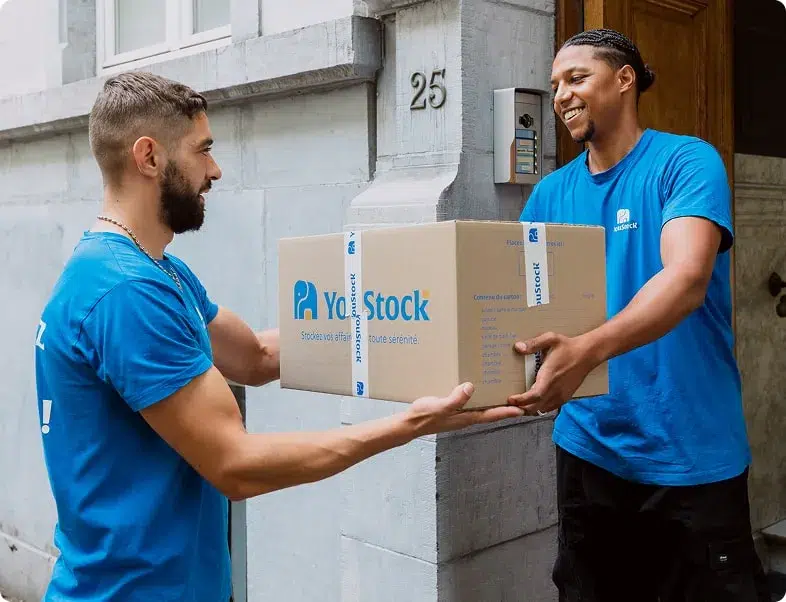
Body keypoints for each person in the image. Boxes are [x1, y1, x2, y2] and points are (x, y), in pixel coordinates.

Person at [33, 72, 525, 602]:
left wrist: (432, 326)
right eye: (203, 151)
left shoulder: (155, 272)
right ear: (149, 157)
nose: (215, 171)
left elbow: (258, 356)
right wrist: (408, 426)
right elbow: (236, 465)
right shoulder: (126, 292)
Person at [509, 29, 771, 601]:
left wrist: (587, 349)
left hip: (690, 454)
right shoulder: (548, 196)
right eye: (555, 85)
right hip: (589, 451)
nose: (561, 96)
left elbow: (686, 280)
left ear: (624, 78)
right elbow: (514, 308)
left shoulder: (685, 162)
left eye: (577, 78)